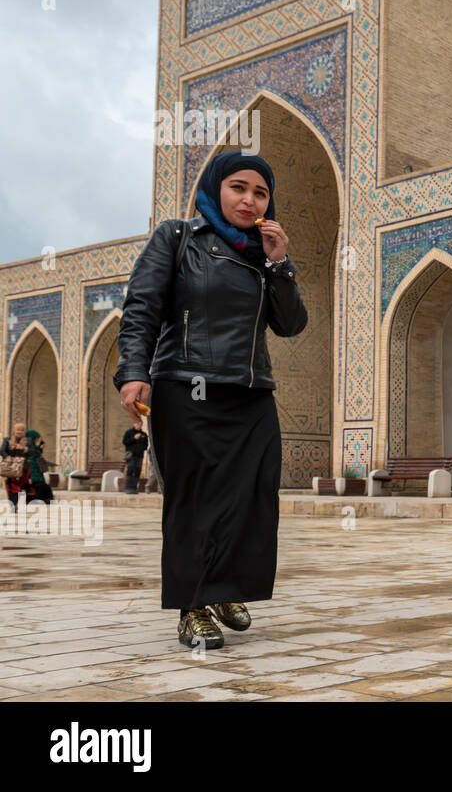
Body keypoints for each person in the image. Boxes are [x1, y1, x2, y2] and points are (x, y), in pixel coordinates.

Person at [115, 152, 307, 649]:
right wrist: (134, 372)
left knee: (252, 499)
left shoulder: (262, 254)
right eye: (239, 188)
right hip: (187, 386)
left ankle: (224, 588)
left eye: (260, 193)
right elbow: (142, 308)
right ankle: (192, 605)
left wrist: (280, 264)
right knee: (194, 501)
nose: (249, 199)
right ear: (215, 189)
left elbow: (290, 324)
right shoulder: (178, 238)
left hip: (251, 394)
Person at [2, 423, 52, 506]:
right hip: (11, 468)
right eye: (18, 429)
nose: (20, 432)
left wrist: (24, 449)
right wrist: (7, 457)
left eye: (22, 430)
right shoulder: (7, 440)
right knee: (12, 487)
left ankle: (29, 500)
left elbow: (36, 453)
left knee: (25, 486)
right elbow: (2, 450)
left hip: (24, 468)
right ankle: (13, 504)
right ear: (14, 430)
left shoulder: (28, 441)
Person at [122, 426, 149, 495]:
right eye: (137, 423)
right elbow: (125, 442)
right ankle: (128, 488)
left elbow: (146, 445)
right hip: (131, 456)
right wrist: (134, 438)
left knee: (137, 471)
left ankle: (134, 488)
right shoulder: (129, 432)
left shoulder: (144, 434)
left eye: (140, 423)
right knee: (130, 470)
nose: (139, 425)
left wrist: (142, 448)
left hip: (140, 456)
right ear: (135, 424)